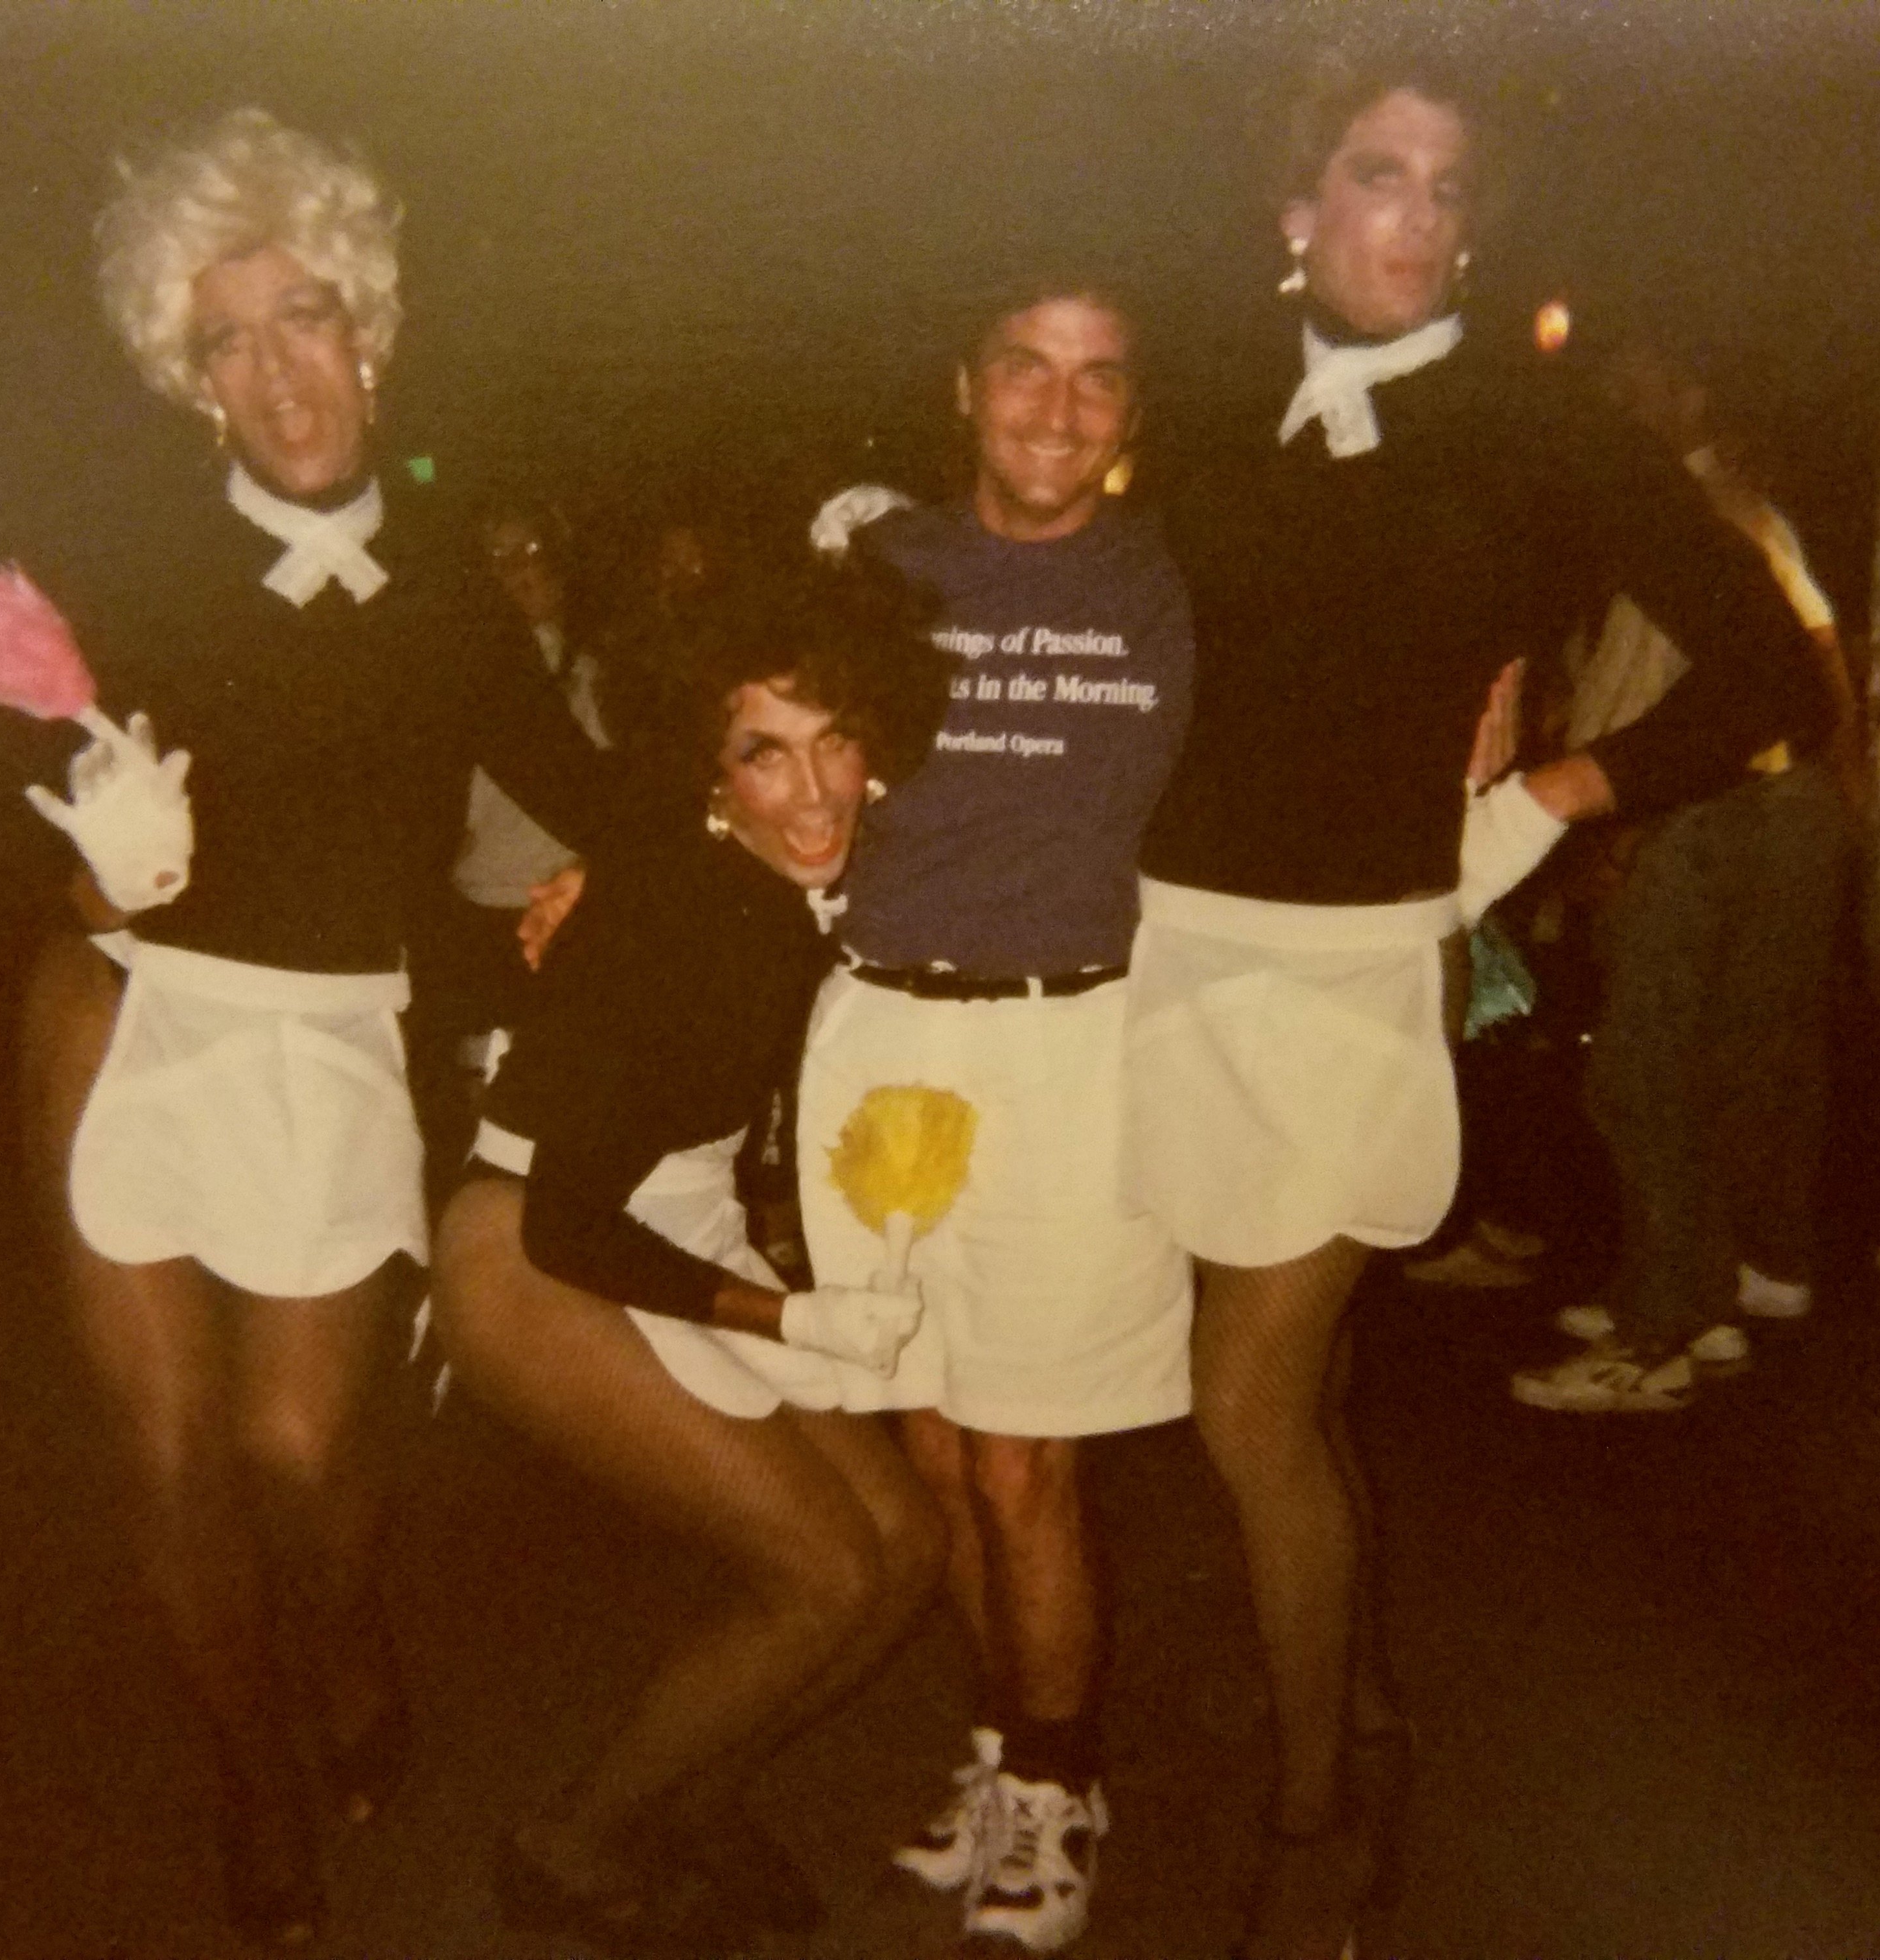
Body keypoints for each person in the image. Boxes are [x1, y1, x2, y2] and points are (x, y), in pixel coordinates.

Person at [1124, 44, 1833, 1959]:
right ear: (1300, 210)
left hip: (1361, 962)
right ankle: (1350, 1698)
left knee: (1243, 1403)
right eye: (1383, 177)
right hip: (1169, 946)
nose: (1422, 223)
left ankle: (1313, 1829)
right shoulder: (1209, 407)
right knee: (1298, 1392)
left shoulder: (1540, 426)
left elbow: (1777, 675)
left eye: (1450, 192)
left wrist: (1539, 800)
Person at [10, 108, 614, 1947]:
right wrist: (99, 874)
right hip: (122, 1016)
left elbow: (591, 797)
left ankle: (341, 1629)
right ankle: (253, 1776)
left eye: (306, 319)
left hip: (335, 1029)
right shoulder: (131, 566)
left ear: (371, 330)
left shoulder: (452, 591)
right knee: (172, 1454)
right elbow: (28, 830)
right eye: (229, 339)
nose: (279, 373)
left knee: (297, 1452)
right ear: (190, 379)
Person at [432, 550, 953, 1955]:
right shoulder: (693, 923)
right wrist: (792, 1318)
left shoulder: (765, 866)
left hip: (666, 1212)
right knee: (823, 1574)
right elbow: (566, 1224)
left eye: (836, 738)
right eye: (763, 753)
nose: (815, 790)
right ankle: (570, 1847)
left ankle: (696, 1800)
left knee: (906, 1545)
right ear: (712, 772)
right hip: (532, 1252)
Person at [796, 275, 1196, 1954]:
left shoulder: (1179, 580)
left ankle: (1058, 1783)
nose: (1056, 408)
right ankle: (999, 1744)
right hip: (881, 1028)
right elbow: (752, 752)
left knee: (1028, 1458)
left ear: (1133, 411)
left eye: (1097, 378)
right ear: (965, 387)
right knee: (941, 1443)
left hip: (1069, 1045)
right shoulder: (873, 573)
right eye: (1025, 367)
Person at [1515, 334, 1863, 1411]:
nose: (1619, 407)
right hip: (1766, 801)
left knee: (1639, 1069)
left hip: (1701, 811)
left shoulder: (1690, 518)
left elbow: (1649, 702)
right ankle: (1729, 1277)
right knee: (1740, 1054)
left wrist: (1608, 830)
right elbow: (1818, 659)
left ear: (1693, 400)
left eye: (1641, 388)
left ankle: (1663, 1320)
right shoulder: (1749, 513)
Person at [411, 496, 610, 1220]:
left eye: (530, 555)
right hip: (475, 916)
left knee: (553, 1110)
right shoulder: (459, 675)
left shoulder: (601, 671)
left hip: (565, 914)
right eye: (498, 560)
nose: (518, 574)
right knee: (470, 1110)